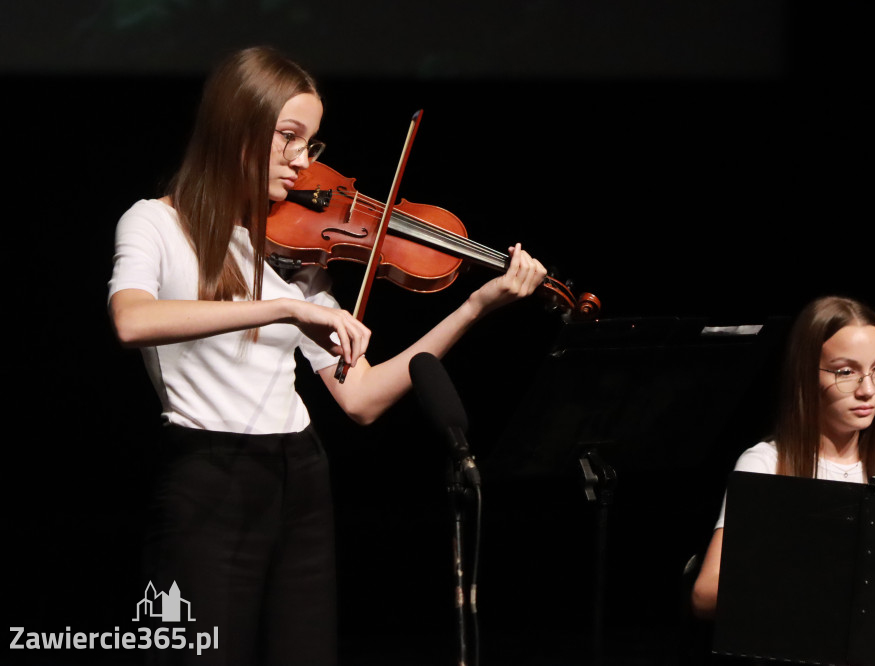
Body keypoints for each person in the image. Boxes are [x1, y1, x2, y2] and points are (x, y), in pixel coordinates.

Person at [107, 46, 548, 664]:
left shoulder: (297, 251)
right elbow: (132, 321)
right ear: (237, 126)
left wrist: (474, 307)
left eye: (310, 143)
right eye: (288, 137)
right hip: (206, 475)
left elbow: (361, 398)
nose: (302, 162)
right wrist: (283, 308)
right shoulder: (154, 224)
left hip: (301, 476)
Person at [689, 295, 875, 620]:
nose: (868, 389)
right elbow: (706, 595)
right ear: (807, 375)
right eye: (846, 371)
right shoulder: (766, 464)